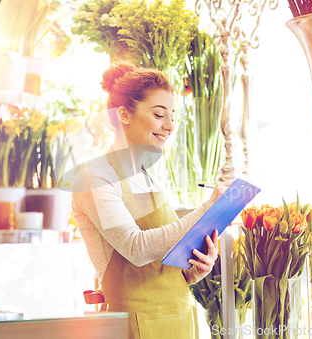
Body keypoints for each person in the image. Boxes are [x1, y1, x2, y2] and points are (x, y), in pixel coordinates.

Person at [71, 61, 234, 339]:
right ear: (124, 114)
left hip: (180, 320)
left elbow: (163, 266)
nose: (169, 126)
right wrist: (209, 207)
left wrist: (195, 270)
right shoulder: (94, 175)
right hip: (131, 326)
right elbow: (136, 248)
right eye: (159, 115)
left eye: (172, 115)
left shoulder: (150, 178)